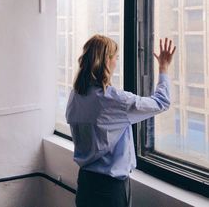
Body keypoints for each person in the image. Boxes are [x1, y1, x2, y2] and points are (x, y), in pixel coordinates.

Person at [65, 34, 176, 207]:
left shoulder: (75, 96)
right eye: (116, 58)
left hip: (85, 184)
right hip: (110, 190)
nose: (117, 63)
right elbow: (161, 102)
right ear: (106, 62)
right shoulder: (113, 100)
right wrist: (163, 68)